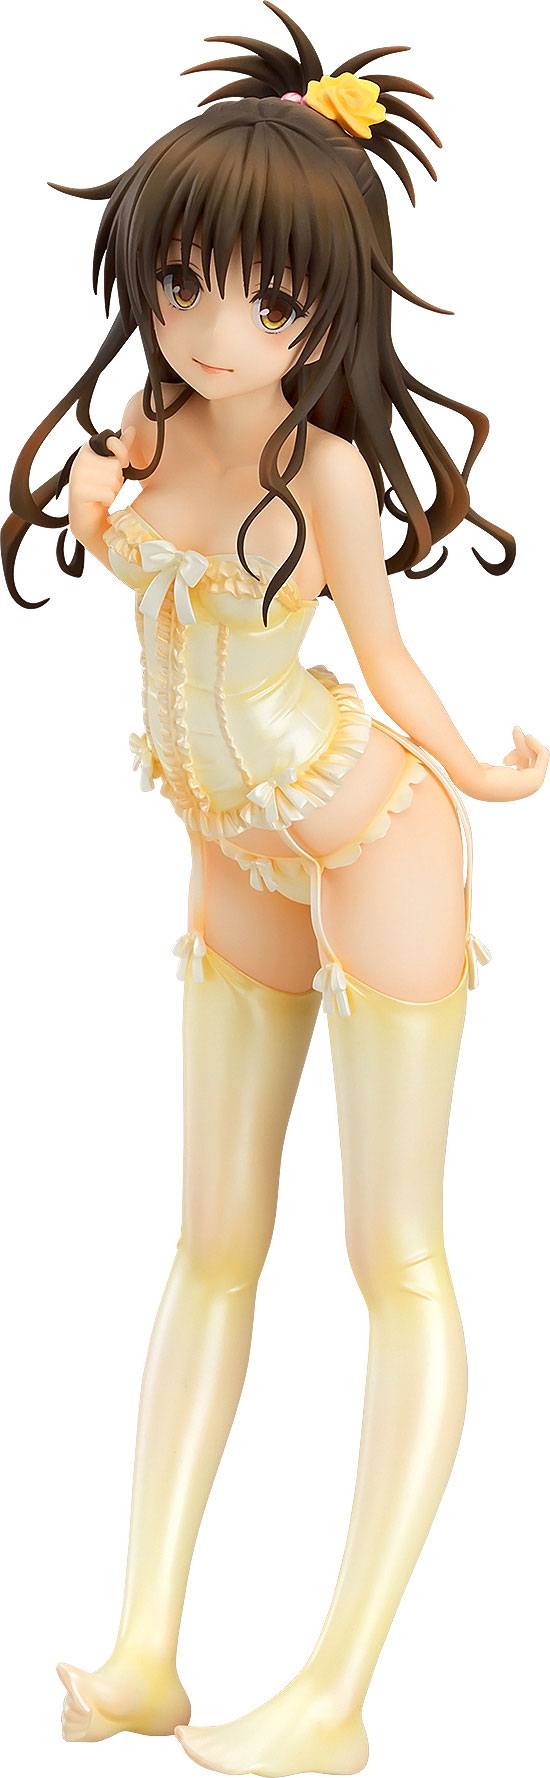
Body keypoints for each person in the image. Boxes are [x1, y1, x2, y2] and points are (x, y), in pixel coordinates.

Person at [3, 4, 547, 1768]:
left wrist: (477, 768)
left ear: (325, 309)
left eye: (260, 296)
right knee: (211, 1241)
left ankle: (333, 1693)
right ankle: (146, 1647)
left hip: (368, 831)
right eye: (180, 281)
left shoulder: (320, 466)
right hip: (226, 846)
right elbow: (115, 533)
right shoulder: (157, 420)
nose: (208, 323)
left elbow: (381, 659)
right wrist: (98, 498)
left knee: (391, 1252)